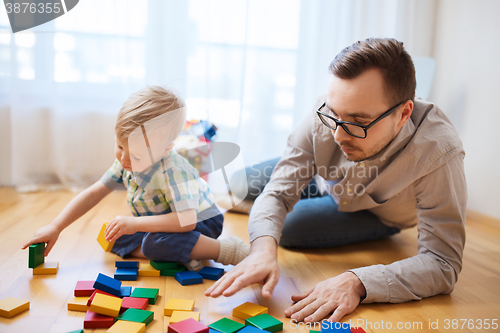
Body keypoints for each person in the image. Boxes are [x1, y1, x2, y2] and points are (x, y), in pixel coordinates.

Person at [205, 38, 467, 323]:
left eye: (357, 122)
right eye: (334, 114)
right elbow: (279, 193)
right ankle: (297, 193)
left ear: (403, 114)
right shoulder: (327, 113)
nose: (339, 135)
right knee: (242, 183)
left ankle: (294, 200)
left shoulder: (439, 152)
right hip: (325, 181)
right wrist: (262, 250)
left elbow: (442, 263)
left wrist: (358, 281)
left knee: (291, 228)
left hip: (375, 213)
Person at [22, 86, 250, 269]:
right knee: (111, 235)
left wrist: (137, 223)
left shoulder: (174, 171)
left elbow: (186, 220)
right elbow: (93, 193)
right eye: (120, 146)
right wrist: (55, 227)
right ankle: (180, 253)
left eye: (137, 155)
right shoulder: (126, 162)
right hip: (163, 222)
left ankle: (225, 249)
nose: (125, 159)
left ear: (164, 149)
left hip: (200, 221)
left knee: (153, 243)